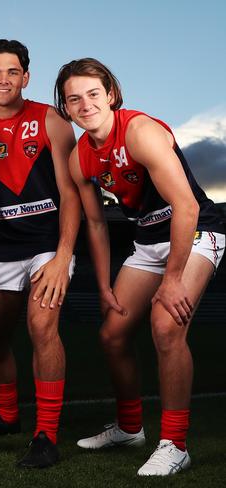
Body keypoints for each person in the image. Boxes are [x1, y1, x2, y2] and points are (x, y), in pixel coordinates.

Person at [54, 58, 224, 476]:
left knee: (165, 327)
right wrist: (103, 284)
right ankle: (130, 428)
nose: (85, 104)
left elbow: (185, 206)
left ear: (110, 94)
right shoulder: (80, 158)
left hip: (196, 229)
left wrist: (171, 280)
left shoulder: (140, 132)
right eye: (74, 98)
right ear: (67, 108)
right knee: (112, 334)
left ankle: (175, 444)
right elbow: (95, 222)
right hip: (148, 239)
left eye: (93, 94)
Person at [0, 40, 79, 468]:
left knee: (41, 326)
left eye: (13, 72)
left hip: (47, 247)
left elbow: (72, 196)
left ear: (26, 77)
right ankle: (8, 418)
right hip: (2, 251)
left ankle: (46, 434)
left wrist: (63, 257)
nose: (4, 79)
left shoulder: (51, 120)